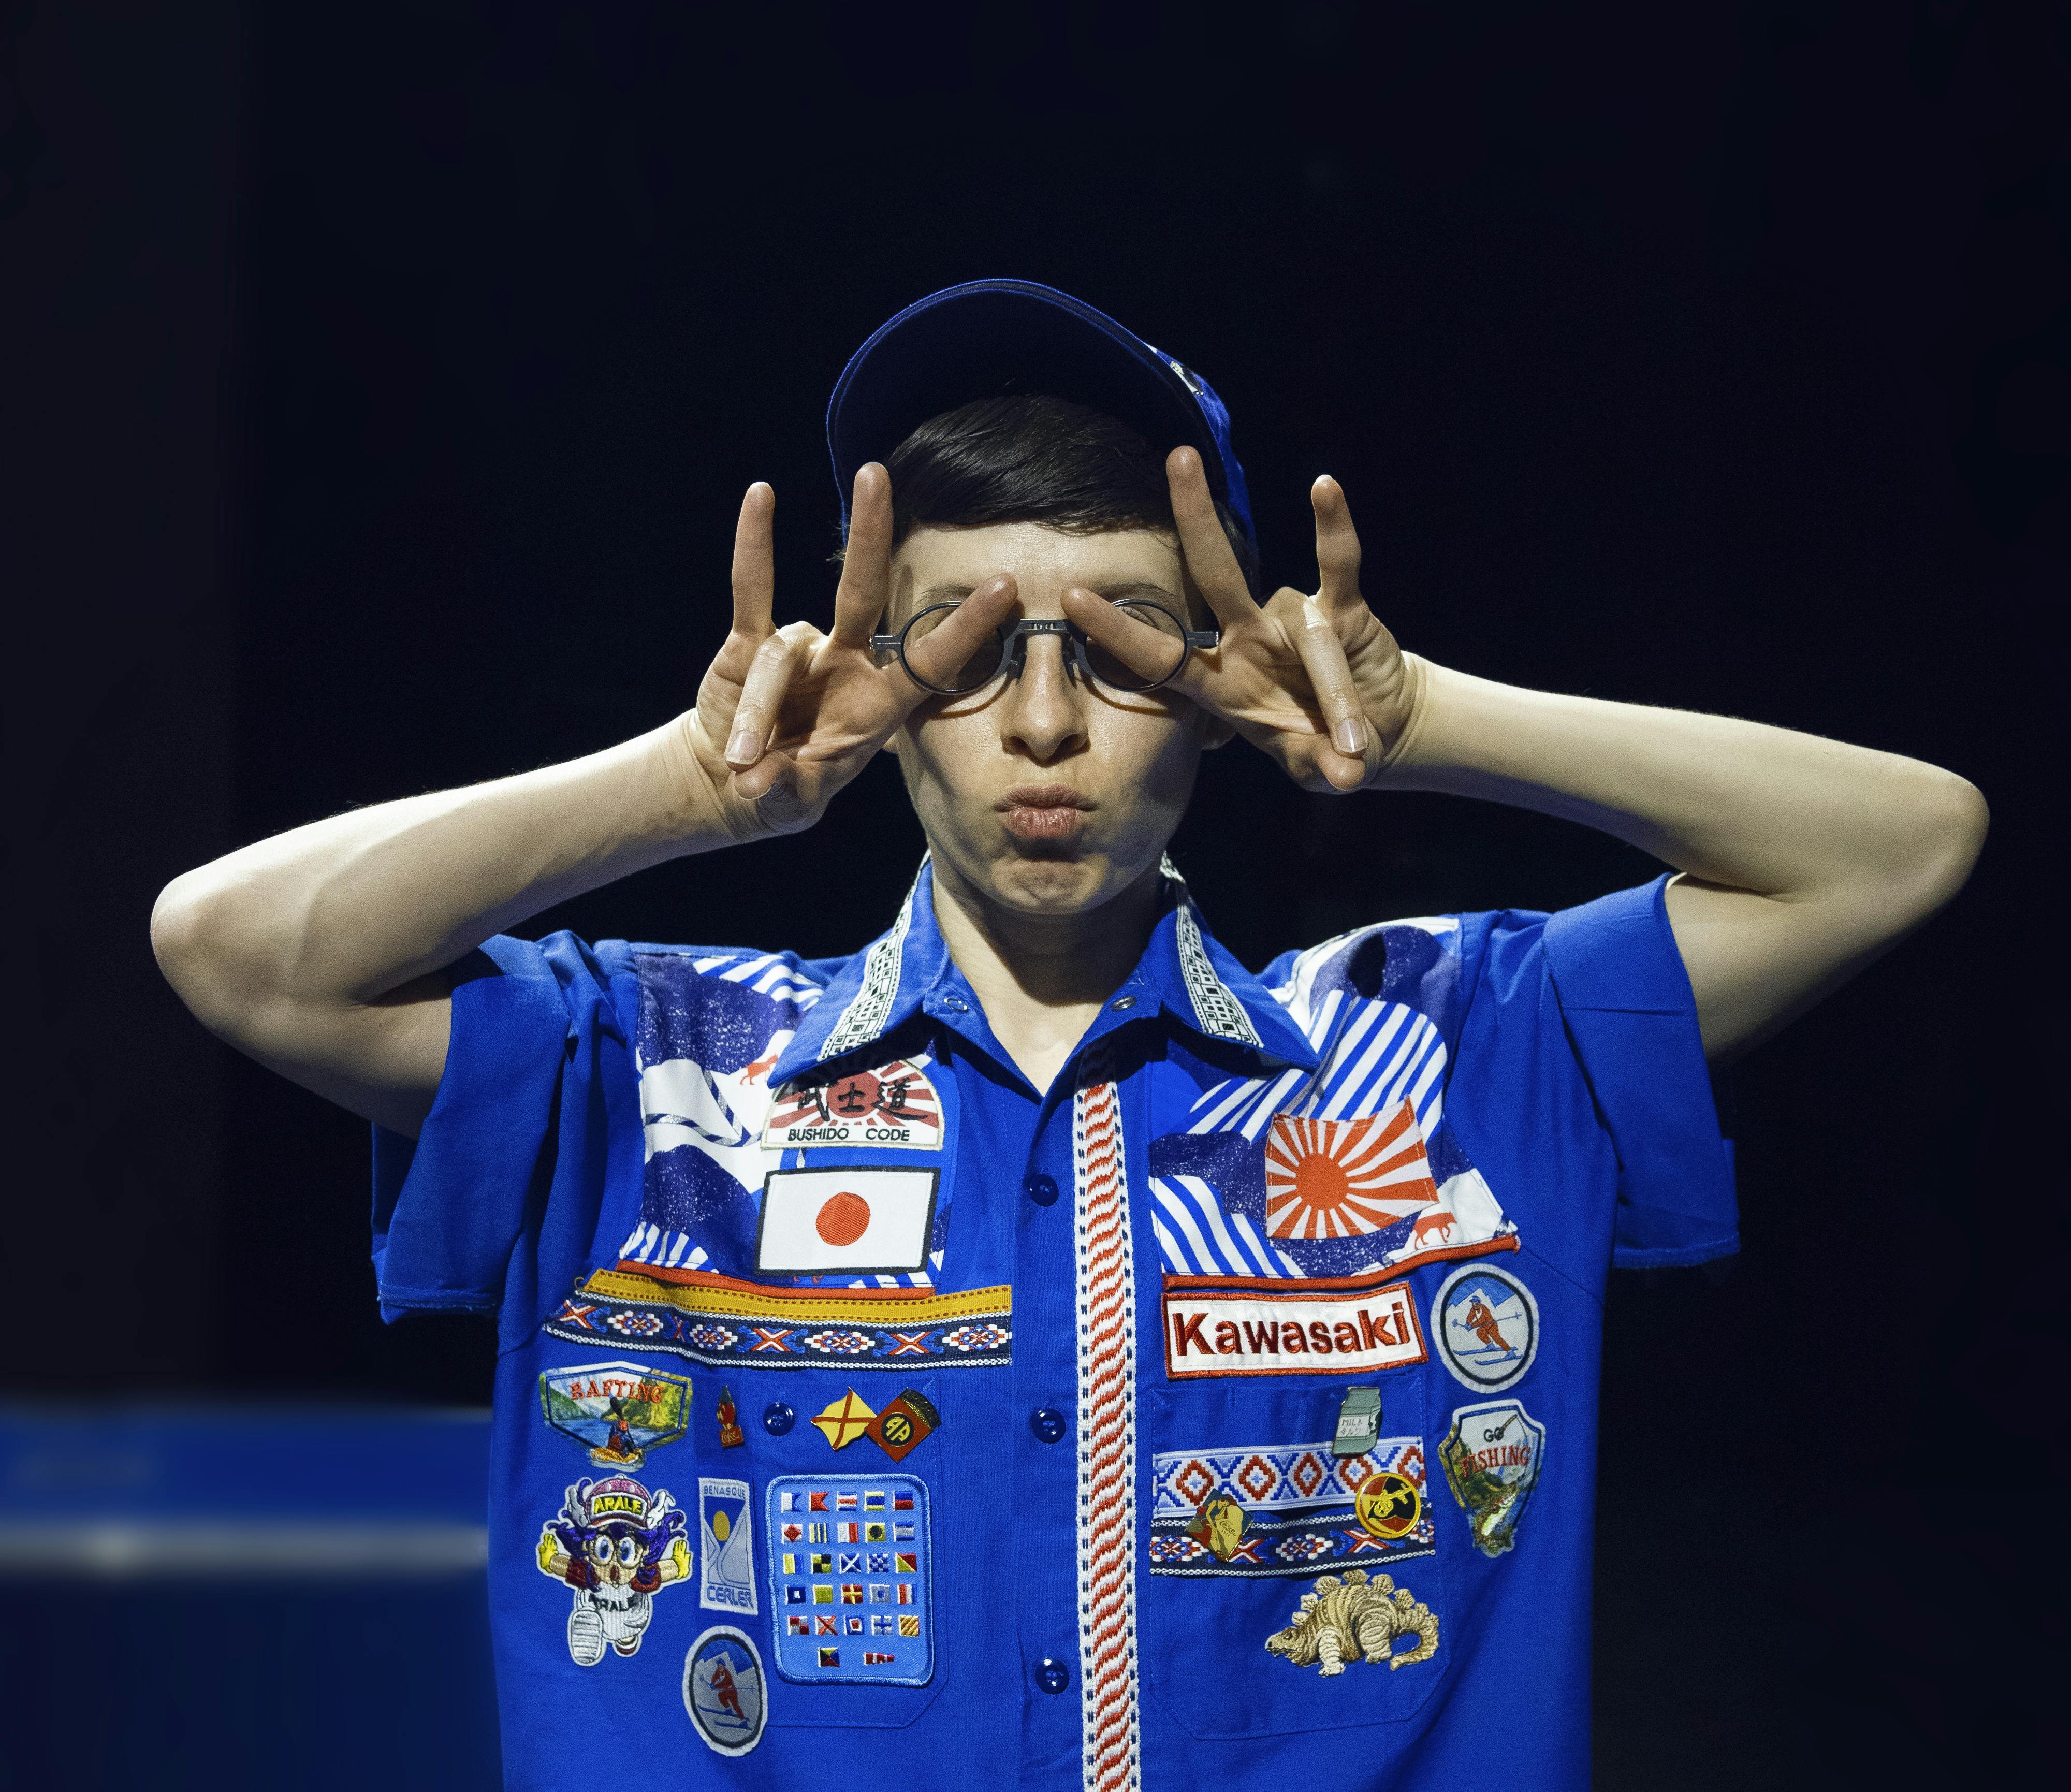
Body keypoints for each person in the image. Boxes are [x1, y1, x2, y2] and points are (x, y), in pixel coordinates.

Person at [150, 279, 1985, 1788]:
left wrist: (1427, 718)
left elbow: (1902, 845)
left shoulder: (1442, 1046)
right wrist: (683, 792)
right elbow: (234, 951)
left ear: (1224, 690)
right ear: (881, 689)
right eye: (957, 650)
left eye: (1118, 650)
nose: (1039, 722)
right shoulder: (666, 1070)